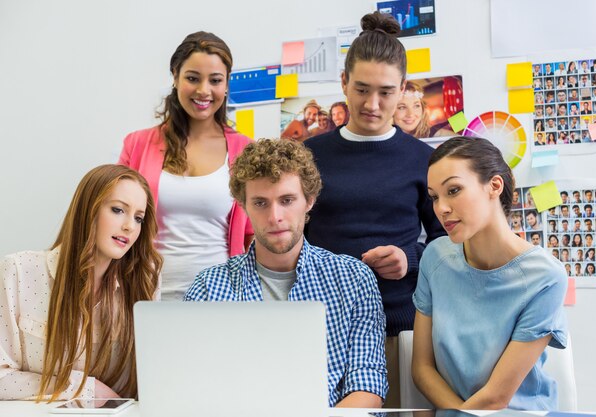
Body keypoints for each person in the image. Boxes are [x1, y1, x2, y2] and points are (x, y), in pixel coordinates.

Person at [304, 11, 446, 407]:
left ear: (403, 89)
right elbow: (287, 234)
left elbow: (449, 242)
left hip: (398, 327)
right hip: (318, 326)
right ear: (344, 82)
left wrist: (409, 257)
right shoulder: (308, 156)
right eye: (362, 89)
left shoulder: (424, 159)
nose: (372, 103)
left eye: (385, 91)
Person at [184, 139, 387, 408]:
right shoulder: (209, 288)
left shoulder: (353, 279)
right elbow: (194, 385)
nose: (275, 216)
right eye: (260, 203)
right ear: (243, 207)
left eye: (287, 200)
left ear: (309, 201)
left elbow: (368, 384)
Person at [412, 136, 567, 410]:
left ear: (494, 185)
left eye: (454, 190)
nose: (441, 208)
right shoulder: (435, 258)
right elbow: (423, 369)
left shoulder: (545, 277)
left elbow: (497, 396)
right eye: (434, 197)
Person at [0, 165, 162, 401]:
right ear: (88, 210)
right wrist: (85, 389)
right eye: (118, 210)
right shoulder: (18, 271)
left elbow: (153, 382)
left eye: (139, 218)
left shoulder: (145, 281)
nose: (130, 226)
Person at [118, 31, 253, 301]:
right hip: (145, 294)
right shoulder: (137, 144)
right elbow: (115, 219)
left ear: (226, 85)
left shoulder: (246, 150)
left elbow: (252, 235)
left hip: (221, 298)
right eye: (192, 78)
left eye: (215, 80)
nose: (204, 90)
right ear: (175, 76)